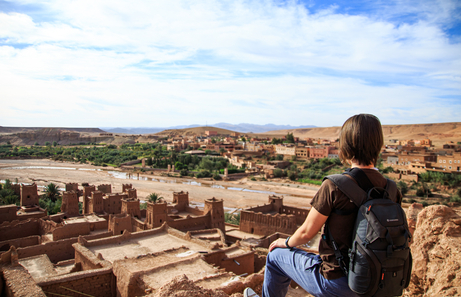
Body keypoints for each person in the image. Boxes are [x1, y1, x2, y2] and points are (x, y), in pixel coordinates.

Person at [244, 114, 402, 297]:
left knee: (274, 256)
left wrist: (285, 242)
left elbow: (306, 233)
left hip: (338, 283)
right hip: (378, 285)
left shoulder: (336, 185)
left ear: (345, 146)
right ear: (379, 146)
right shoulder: (392, 189)